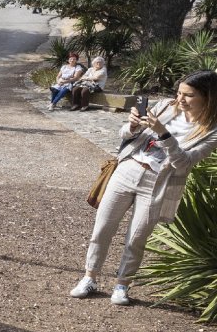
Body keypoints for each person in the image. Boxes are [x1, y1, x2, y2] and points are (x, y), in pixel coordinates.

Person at [71, 71, 217, 306]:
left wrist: (163, 133)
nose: (180, 99)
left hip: (158, 182)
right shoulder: (165, 107)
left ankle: (122, 285)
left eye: (188, 95)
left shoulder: (211, 131)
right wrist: (131, 126)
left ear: (207, 97)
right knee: (102, 227)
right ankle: (90, 277)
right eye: (179, 92)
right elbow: (125, 134)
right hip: (128, 169)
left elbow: (183, 163)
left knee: (137, 237)